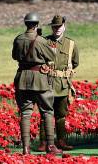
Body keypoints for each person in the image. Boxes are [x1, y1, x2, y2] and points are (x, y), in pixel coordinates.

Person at [12, 12, 62, 155]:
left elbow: (15, 56)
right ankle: (51, 146)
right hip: (40, 79)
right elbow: (51, 56)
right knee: (47, 111)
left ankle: (26, 149)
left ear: (26, 23)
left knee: (26, 113)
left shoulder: (18, 39)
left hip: (22, 78)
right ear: (37, 24)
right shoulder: (41, 41)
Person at [38, 14, 79, 151]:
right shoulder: (44, 41)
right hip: (47, 83)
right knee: (45, 114)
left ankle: (61, 141)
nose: (57, 29)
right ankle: (44, 143)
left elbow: (75, 63)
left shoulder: (71, 44)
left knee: (61, 115)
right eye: (54, 27)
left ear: (64, 26)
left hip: (62, 85)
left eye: (59, 26)